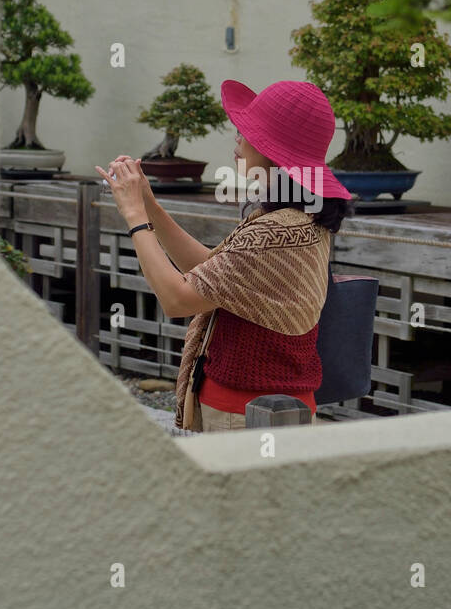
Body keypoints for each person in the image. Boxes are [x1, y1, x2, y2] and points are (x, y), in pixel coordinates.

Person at [95, 79, 354, 432]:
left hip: (244, 414)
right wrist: (149, 204)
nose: (238, 139)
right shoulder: (298, 220)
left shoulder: (274, 233)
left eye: (248, 131)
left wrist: (134, 218)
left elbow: (176, 299)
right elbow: (208, 271)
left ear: (272, 149)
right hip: (265, 408)